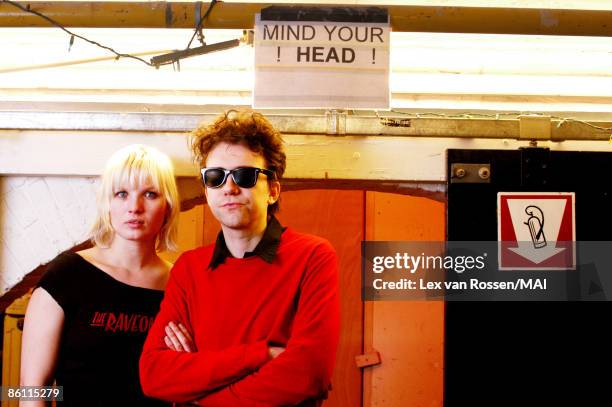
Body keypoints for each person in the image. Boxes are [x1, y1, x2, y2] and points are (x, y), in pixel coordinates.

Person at [139, 110, 340, 406]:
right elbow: (155, 375)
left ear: (272, 191)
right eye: (216, 177)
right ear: (207, 190)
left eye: (245, 176)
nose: (230, 188)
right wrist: (263, 354)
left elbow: (308, 374)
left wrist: (200, 392)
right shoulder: (189, 269)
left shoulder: (313, 257)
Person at [20, 144, 180, 406]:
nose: (134, 207)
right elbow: (31, 387)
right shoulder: (67, 275)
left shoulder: (181, 284)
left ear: (169, 206)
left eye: (150, 194)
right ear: (107, 203)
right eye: (121, 194)